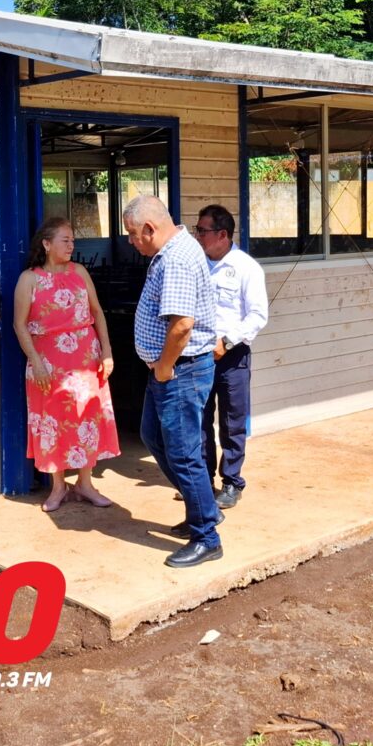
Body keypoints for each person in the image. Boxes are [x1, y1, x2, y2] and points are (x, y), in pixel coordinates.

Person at [122, 195, 222, 568]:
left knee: (183, 453)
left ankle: (207, 537)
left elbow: (181, 325)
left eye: (133, 234)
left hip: (180, 370)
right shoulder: (172, 251)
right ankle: (204, 508)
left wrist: (164, 367)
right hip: (173, 370)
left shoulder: (176, 259)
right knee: (153, 436)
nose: (130, 241)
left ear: (150, 228)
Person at [13, 217, 120, 513]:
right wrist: (36, 361)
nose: (71, 245)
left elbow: (97, 312)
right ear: (47, 244)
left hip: (86, 357)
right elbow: (19, 325)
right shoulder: (29, 279)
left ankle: (85, 483)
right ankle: (58, 486)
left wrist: (107, 351)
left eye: (73, 240)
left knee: (87, 418)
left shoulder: (80, 272)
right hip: (47, 361)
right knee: (52, 421)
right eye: (65, 240)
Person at [193, 204, 269, 509]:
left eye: (203, 231)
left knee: (231, 421)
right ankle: (203, 481)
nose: (198, 236)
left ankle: (232, 482)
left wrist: (226, 341)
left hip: (232, 356)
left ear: (222, 234)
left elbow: (258, 315)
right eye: (197, 230)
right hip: (199, 355)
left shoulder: (246, 267)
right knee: (200, 420)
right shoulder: (197, 265)